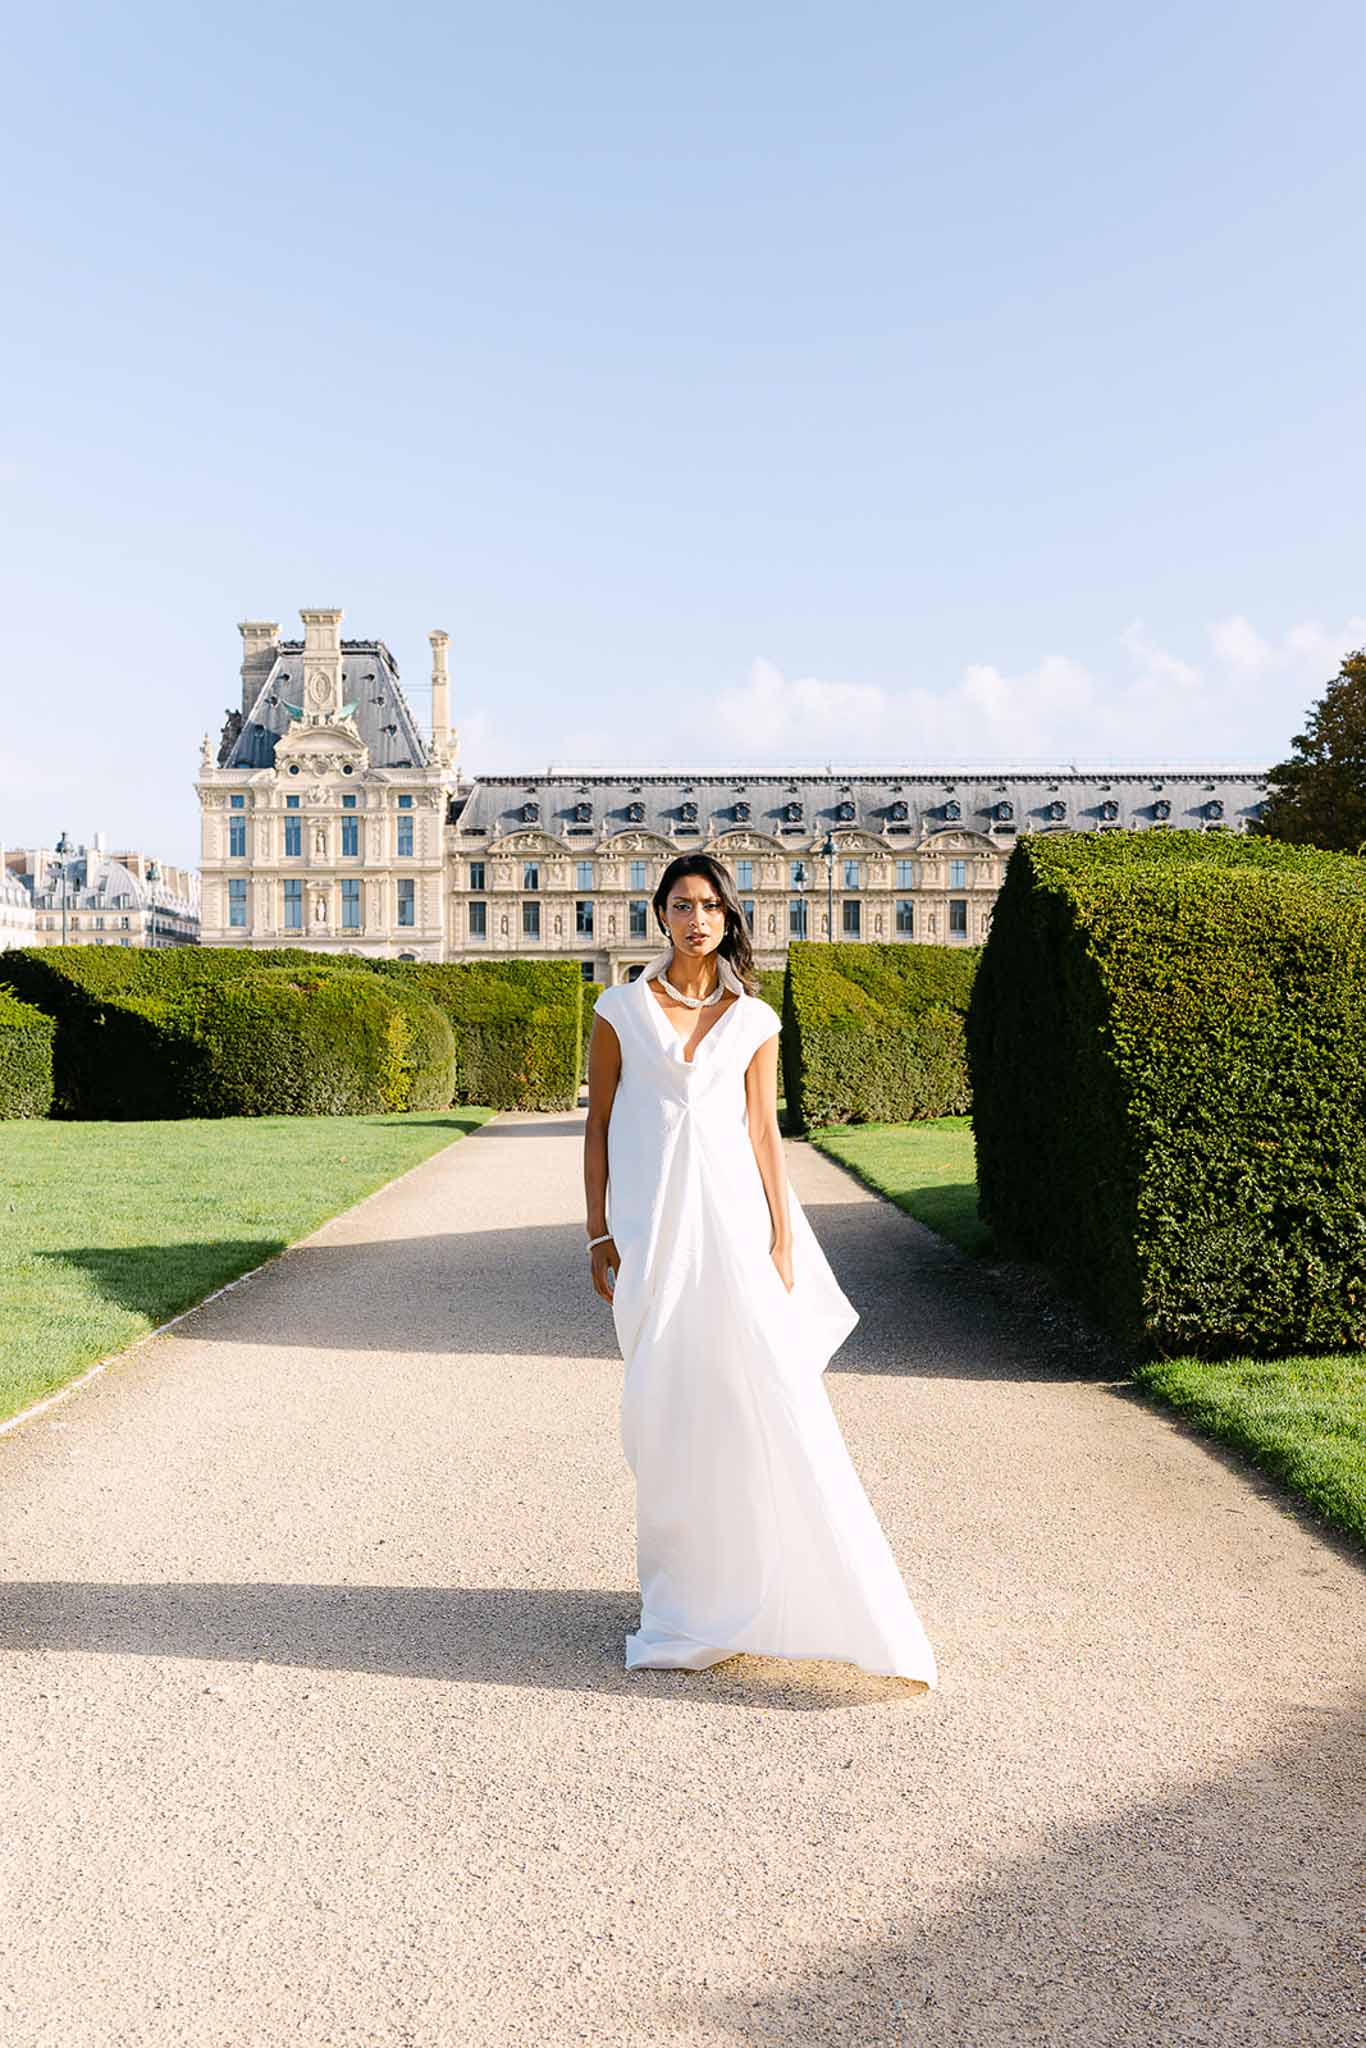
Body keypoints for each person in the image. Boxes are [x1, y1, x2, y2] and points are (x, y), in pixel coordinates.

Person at [583, 852, 938, 1688]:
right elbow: (597, 1124)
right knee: (668, 1410)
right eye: (681, 904)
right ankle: (686, 1597)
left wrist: (782, 1235)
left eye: (709, 905)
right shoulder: (620, 1010)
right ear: (659, 914)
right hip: (654, 1239)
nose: (696, 919)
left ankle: (796, 1592)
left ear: (728, 917)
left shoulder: (755, 1020)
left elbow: (763, 1134)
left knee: (763, 1400)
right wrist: (597, 1233)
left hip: (738, 1236)